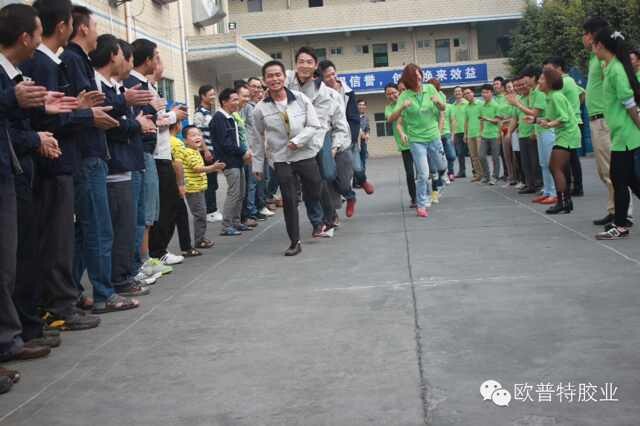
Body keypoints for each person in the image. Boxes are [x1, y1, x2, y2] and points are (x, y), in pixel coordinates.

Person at [19, 0, 103, 330]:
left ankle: (61, 300)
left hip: (61, 162)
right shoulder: (42, 64)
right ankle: (59, 307)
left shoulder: (49, 63)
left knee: (61, 238)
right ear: (63, 26)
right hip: (52, 164)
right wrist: (85, 114)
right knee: (56, 240)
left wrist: (79, 110)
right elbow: (46, 119)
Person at [61, 6, 140, 314]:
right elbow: (87, 109)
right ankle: (104, 293)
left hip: (93, 154)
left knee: (87, 232)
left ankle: (73, 291)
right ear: (80, 27)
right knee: (98, 230)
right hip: (88, 155)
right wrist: (120, 104)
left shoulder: (75, 60)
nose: (96, 32)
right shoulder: (72, 60)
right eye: (93, 25)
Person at [0, 3, 57, 364]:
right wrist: (33, 135)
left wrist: (40, 107)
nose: (39, 43)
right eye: (37, 35)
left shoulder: (14, 75)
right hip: (9, 171)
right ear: (25, 37)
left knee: (15, 260)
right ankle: (10, 338)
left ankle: (14, 335)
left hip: (13, 170)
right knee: (9, 263)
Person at [92, 34, 155, 298]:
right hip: (114, 167)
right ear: (113, 56)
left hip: (126, 163)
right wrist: (136, 125)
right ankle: (118, 279)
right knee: (117, 229)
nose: (126, 61)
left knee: (127, 225)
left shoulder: (117, 89)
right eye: (122, 55)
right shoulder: (101, 88)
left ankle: (124, 274)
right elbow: (112, 124)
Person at [252, 60, 323, 256]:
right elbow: (257, 139)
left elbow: (314, 125)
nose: (274, 79)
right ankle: (294, 242)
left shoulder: (300, 99)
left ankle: (317, 214)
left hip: (304, 154)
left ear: (284, 77)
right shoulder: (260, 109)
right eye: (270, 76)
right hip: (281, 159)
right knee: (290, 201)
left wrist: (298, 141)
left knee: (315, 188)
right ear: (264, 80)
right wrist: (257, 166)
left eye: (278, 75)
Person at [123, 38, 173, 279]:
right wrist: (157, 112)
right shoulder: (133, 85)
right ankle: (140, 262)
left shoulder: (143, 84)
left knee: (148, 211)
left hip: (148, 152)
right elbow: (140, 119)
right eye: (157, 57)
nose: (159, 62)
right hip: (142, 152)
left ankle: (143, 259)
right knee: (142, 212)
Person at [583, 17, 633, 227]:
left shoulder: (606, 61)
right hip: (598, 119)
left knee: (614, 171)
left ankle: (622, 214)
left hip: (604, 119)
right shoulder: (595, 58)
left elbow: (618, 90)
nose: (583, 38)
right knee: (606, 171)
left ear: (594, 36)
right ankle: (615, 210)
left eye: (585, 34)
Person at [592, 28, 640, 240]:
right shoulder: (611, 67)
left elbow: (629, 102)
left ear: (600, 45)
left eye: (594, 45)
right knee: (630, 180)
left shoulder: (616, 70)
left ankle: (620, 225)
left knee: (618, 179)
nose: (593, 50)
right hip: (621, 134)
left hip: (626, 135)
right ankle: (620, 224)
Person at [146, 59, 188, 266]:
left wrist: (172, 114)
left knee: (169, 205)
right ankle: (157, 250)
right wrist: (174, 115)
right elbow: (153, 121)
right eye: (157, 58)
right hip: (155, 156)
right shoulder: (141, 88)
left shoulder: (153, 88)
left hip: (163, 154)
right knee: (161, 207)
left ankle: (159, 249)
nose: (161, 64)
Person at [526, 68, 581, 214]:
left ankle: (562, 202)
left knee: (554, 167)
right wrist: (536, 120)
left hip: (568, 134)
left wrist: (549, 124)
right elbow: (550, 118)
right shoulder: (549, 97)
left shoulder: (556, 96)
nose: (539, 82)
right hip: (563, 134)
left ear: (549, 82)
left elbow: (564, 118)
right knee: (558, 168)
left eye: (542, 79)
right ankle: (566, 202)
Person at [395, 63, 445, 217]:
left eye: (419, 76)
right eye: (414, 78)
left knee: (442, 166)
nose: (418, 80)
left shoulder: (430, 89)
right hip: (416, 140)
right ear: (408, 80)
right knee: (423, 174)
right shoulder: (404, 95)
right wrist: (402, 107)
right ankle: (421, 205)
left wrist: (438, 102)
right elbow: (393, 118)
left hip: (434, 136)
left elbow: (443, 108)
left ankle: (440, 179)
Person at [318, 59, 360, 218]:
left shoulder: (346, 92)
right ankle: (332, 213)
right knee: (328, 177)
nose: (331, 78)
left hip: (344, 139)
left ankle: (350, 195)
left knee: (345, 176)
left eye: (333, 74)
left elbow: (353, 117)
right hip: (325, 139)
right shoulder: (317, 94)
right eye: (327, 76)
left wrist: (352, 139)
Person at [212, 88, 252, 236]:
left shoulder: (231, 117)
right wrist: (243, 152)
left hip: (237, 160)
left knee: (241, 192)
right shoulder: (219, 118)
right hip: (229, 161)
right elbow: (225, 143)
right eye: (234, 100)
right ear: (224, 102)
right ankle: (226, 225)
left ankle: (236, 222)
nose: (237, 102)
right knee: (234, 193)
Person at [543, 56, 584, 197]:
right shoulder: (570, 81)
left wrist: (570, 111)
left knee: (562, 163)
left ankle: (569, 191)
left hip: (569, 127)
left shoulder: (561, 86)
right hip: (571, 123)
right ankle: (571, 189)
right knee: (567, 161)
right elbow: (583, 93)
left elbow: (563, 117)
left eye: (549, 70)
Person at [182, 125, 226, 246]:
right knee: (200, 215)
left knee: (201, 213)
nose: (197, 137)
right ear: (185, 140)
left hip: (198, 187)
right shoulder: (189, 152)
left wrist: (213, 168)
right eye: (193, 135)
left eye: (199, 135)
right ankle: (199, 240)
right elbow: (197, 168)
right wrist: (213, 167)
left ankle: (201, 238)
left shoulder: (195, 151)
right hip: (193, 188)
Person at [507, 67, 542, 195]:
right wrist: (509, 133)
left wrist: (535, 131)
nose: (520, 87)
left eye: (522, 84)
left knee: (535, 161)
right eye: (517, 86)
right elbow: (515, 118)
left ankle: (539, 184)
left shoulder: (534, 95)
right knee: (525, 162)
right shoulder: (519, 99)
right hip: (522, 134)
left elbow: (535, 114)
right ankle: (529, 184)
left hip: (533, 133)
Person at [168, 121, 199, 257]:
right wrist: (181, 184)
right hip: (173, 181)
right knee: (181, 215)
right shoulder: (177, 142)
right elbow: (178, 163)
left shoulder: (165, 140)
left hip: (165, 179)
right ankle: (186, 247)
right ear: (177, 126)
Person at [194, 84, 222, 223]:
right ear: (203, 96)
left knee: (213, 182)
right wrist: (205, 150)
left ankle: (212, 209)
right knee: (210, 182)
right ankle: (210, 211)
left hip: (212, 150)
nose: (213, 97)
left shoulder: (209, 111)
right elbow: (198, 134)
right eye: (210, 94)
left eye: (213, 94)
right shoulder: (199, 113)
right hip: (206, 152)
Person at [384, 82, 416, 207]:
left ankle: (425, 193)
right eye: (388, 94)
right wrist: (402, 107)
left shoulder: (410, 101)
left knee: (423, 171)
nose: (392, 95)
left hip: (418, 140)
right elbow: (391, 118)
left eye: (394, 92)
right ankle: (414, 198)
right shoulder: (389, 108)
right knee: (410, 173)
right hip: (405, 144)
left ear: (399, 92)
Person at [478, 84, 501, 185]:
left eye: (487, 92)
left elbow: (498, 120)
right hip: (484, 135)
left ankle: (495, 177)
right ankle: (486, 176)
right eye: (483, 92)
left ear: (491, 93)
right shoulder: (482, 106)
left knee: (495, 157)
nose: (484, 94)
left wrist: (487, 119)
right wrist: (480, 133)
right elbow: (481, 121)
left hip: (495, 135)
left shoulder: (496, 105)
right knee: (481, 156)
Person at [463, 87, 483, 182]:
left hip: (479, 134)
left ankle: (485, 174)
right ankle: (478, 175)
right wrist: (465, 134)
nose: (467, 95)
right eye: (465, 94)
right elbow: (466, 121)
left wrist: (482, 131)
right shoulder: (466, 107)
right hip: (470, 134)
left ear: (473, 93)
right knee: (473, 156)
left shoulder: (480, 104)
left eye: (468, 93)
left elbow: (483, 118)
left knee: (480, 155)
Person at [452, 86, 468, 178]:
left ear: (462, 93)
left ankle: (476, 171)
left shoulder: (467, 104)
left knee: (472, 153)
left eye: (459, 91)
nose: (457, 93)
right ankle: (462, 171)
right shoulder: (452, 106)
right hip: (457, 132)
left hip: (467, 131)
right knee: (460, 153)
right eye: (456, 91)